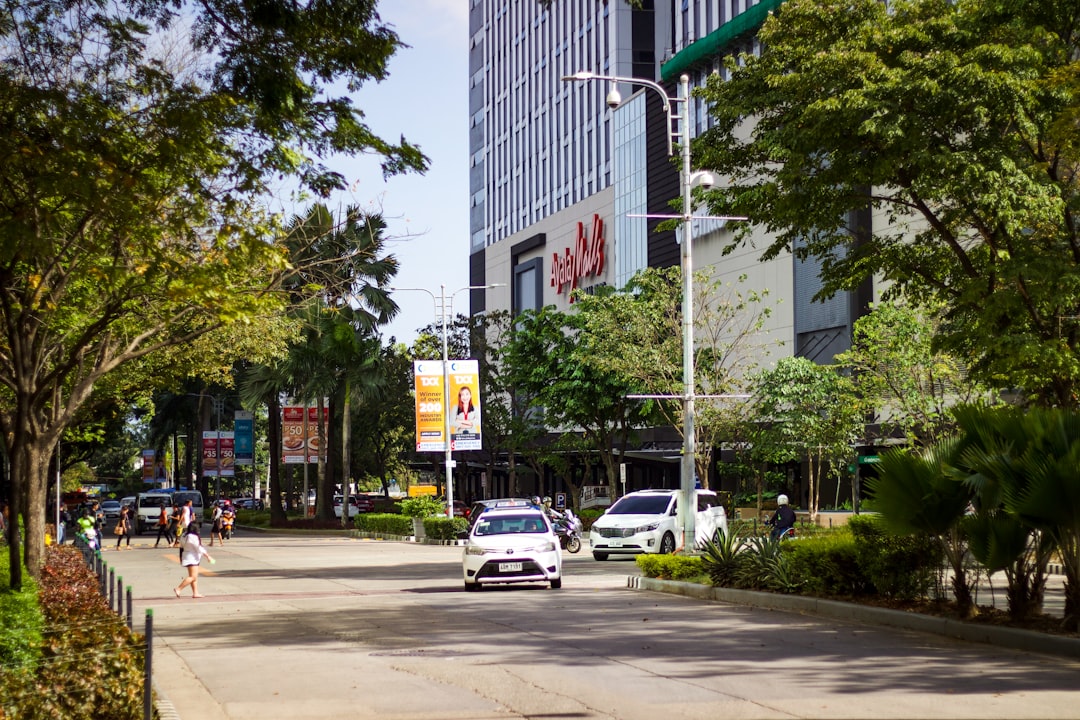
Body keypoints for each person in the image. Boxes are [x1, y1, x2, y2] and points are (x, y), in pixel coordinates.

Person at [174, 524, 213, 599]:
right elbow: (198, 548)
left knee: (194, 576)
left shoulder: (184, 535)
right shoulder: (193, 536)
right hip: (192, 558)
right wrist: (208, 556)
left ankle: (195, 593)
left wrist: (181, 557)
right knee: (193, 577)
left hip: (187, 556)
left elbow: (181, 547)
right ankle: (179, 589)